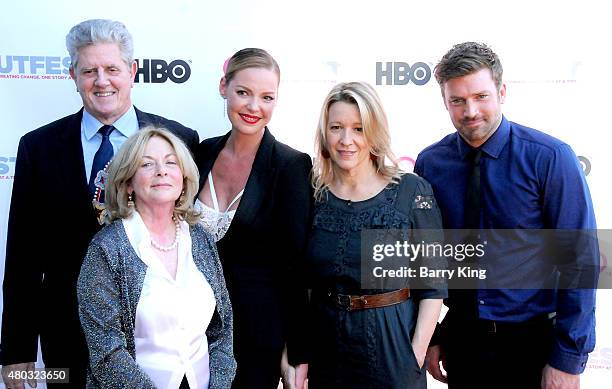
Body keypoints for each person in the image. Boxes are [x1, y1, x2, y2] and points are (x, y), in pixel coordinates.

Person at [1, 19, 199, 388]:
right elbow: (23, 258)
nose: (102, 81)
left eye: (112, 69)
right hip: (67, 340)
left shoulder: (179, 141)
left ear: (132, 71)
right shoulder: (39, 148)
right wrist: (15, 354)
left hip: (158, 344)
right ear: (73, 75)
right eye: (89, 70)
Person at [415, 42, 598, 389]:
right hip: (464, 341)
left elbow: (580, 261)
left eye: (481, 96)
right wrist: (434, 334)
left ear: (501, 91)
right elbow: (425, 259)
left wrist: (568, 360)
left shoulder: (550, 158)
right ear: (445, 102)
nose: (470, 111)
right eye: (457, 100)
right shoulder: (430, 164)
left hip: (533, 345)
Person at [306, 81, 445, 388]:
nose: (346, 140)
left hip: (392, 342)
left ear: (375, 131)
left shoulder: (411, 191)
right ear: (324, 133)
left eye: (358, 128)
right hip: (328, 345)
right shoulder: (314, 194)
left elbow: (433, 282)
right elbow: (302, 284)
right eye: (336, 127)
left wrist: (416, 354)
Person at [77, 127, 234, 388]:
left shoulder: (201, 240)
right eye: (147, 164)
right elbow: (106, 351)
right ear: (128, 183)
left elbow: (222, 329)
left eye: (171, 162)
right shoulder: (106, 249)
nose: (161, 170)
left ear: (183, 179)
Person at [194, 48, 311, 389]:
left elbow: (297, 267)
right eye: (243, 92)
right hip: (189, 334)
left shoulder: (291, 166)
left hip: (257, 337)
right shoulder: (200, 153)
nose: (253, 106)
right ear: (223, 87)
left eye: (266, 97)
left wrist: (297, 350)